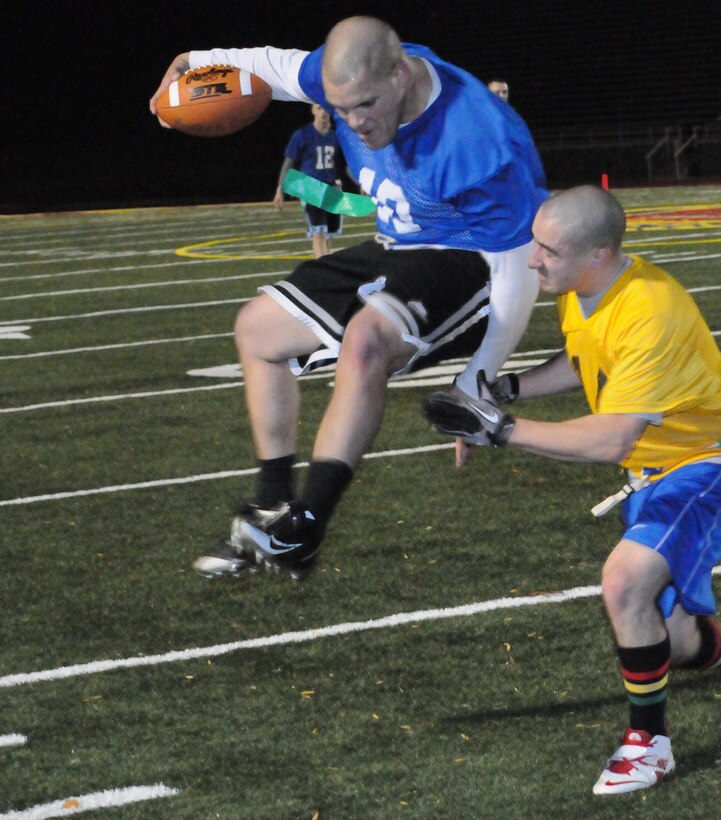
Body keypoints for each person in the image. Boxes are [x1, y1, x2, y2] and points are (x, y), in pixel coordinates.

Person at [423, 186, 721, 795]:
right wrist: (504, 391)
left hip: (715, 462)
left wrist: (498, 429)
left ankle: (649, 746)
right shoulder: (583, 287)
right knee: (676, 639)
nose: (533, 260)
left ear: (600, 255)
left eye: (549, 251)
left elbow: (611, 438)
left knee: (624, 583)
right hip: (659, 470)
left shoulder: (649, 310)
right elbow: (584, 360)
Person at [148, 16, 548, 579]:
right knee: (258, 330)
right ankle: (271, 506)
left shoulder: (478, 136)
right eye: (342, 108)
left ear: (402, 75)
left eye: (365, 106)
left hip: (472, 258)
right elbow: (277, 68)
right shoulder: (348, 79)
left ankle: (305, 530)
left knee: (366, 341)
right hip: (399, 241)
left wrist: (478, 380)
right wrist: (197, 55)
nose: (354, 124)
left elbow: (517, 264)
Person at [273, 103, 344, 258]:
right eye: (319, 108)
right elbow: (289, 162)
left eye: (326, 108)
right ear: (312, 110)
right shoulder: (302, 135)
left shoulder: (335, 136)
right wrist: (280, 188)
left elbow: (345, 164)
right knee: (319, 231)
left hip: (331, 188)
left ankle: (326, 265)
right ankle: (322, 267)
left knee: (328, 233)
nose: (323, 112)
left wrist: (361, 182)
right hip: (311, 188)